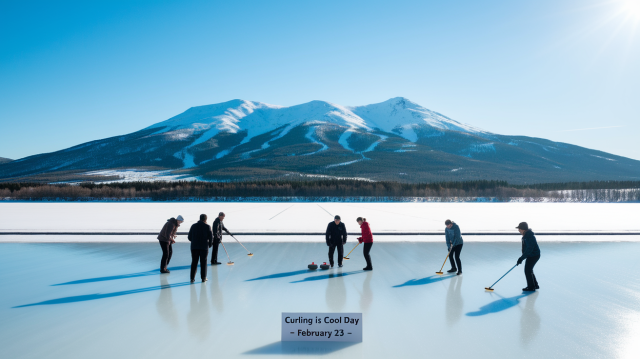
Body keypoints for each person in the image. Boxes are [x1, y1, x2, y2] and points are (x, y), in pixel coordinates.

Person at [188, 214, 214, 283]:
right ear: (205, 219)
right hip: (204, 247)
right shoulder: (207, 226)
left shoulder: (193, 226)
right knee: (203, 262)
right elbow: (211, 237)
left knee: (194, 262)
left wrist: (194, 241)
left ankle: (192, 278)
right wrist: (210, 245)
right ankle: (203, 278)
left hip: (194, 247)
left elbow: (189, 237)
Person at [516, 222, 541, 292]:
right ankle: (535, 285)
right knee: (529, 270)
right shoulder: (526, 235)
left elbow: (530, 249)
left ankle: (531, 286)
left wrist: (521, 258)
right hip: (532, 255)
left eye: (519, 229)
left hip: (533, 255)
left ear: (523, 229)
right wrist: (522, 257)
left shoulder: (528, 236)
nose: (518, 230)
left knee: (527, 270)